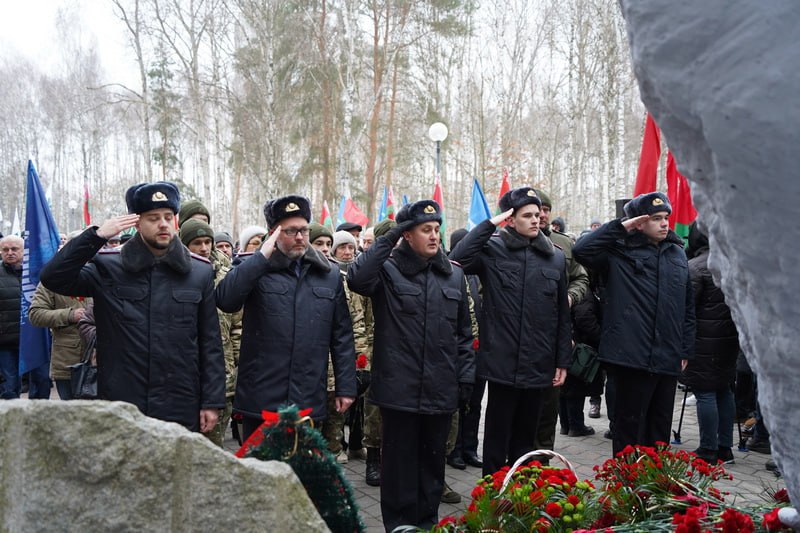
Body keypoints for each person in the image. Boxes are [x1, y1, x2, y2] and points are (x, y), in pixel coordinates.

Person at [40, 182, 225, 433]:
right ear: (136, 223)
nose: (163, 224)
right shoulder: (109, 267)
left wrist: (211, 401)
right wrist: (96, 236)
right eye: (153, 218)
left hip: (180, 400)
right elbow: (53, 277)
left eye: (168, 217)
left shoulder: (199, 271)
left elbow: (210, 342)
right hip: (123, 399)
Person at [348, 200, 474, 532]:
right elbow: (358, 279)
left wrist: (465, 377)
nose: (434, 236)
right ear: (407, 234)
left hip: (440, 389)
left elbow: (464, 334)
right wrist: (389, 237)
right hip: (399, 391)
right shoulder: (387, 271)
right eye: (425, 230)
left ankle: (427, 524)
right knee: (399, 469)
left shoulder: (453, 274)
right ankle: (400, 527)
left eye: (437, 229)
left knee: (432, 468)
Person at [449, 187, 571, 477]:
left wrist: (562, 360)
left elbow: (561, 315)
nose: (536, 219)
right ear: (510, 219)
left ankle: (519, 492)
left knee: (526, 439)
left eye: (537, 214)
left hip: (539, 362)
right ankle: (492, 491)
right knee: (497, 436)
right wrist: (490, 224)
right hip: (502, 362)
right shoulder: (493, 249)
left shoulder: (554, 257)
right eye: (527, 215)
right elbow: (457, 258)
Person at [216, 195, 356, 441]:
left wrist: (346, 387)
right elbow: (226, 300)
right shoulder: (255, 267)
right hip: (262, 395)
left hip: (307, 393)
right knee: (259, 463)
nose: (300, 237)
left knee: (301, 464)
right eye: (291, 231)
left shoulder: (328, 274)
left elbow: (341, 335)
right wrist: (260, 257)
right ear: (274, 233)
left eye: (304, 230)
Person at [573, 191, 695, 456]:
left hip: (667, 356)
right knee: (629, 430)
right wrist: (621, 226)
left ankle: (654, 479)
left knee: (659, 430)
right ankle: (626, 479)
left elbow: (687, 307)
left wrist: (685, 349)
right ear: (639, 222)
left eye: (666, 217)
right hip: (630, 357)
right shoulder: (618, 251)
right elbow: (581, 250)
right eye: (656, 218)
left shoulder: (677, 253)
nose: (664, 223)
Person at [531, 188, 588, 457]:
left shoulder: (563, 244)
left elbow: (581, 277)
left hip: (553, 336)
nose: (541, 215)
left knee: (547, 410)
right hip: (517, 337)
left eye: (546, 210)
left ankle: (542, 466)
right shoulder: (505, 244)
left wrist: (570, 296)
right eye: (536, 210)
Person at [180, 219, 243, 447]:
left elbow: (237, 325)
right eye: (197, 243)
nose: (204, 248)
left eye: (208, 242)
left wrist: (236, 364)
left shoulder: (226, 276)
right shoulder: (177, 277)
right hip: (185, 375)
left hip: (222, 376)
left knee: (213, 445)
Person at [682, 222, 739, 464]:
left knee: (705, 392)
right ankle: (725, 448)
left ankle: (708, 449)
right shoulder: (733, 264)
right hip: (729, 339)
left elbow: (686, 308)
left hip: (702, 340)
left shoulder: (694, 267)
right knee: (724, 390)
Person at [28, 230, 92, 400]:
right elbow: (35, 314)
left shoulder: (105, 274)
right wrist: (70, 315)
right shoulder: (51, 280)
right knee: (70, 413)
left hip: (101, 361)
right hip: (68, 363)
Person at [0, 235, 24, 398]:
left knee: (40, 381)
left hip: (31, 340)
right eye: (5, 250)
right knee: (9, 386)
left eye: (14, 249)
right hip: (5, 341)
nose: (10, 253)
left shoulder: (35, 272)